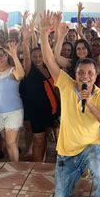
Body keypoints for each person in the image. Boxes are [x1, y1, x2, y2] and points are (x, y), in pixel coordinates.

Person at [38, 11, 100, 197]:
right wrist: (44, 33)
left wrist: (89, 102)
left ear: (96, 74)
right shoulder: (66, 84)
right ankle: (81, 170)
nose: (85, 76)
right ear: (76, 73)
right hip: (66, 151)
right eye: (81, 72)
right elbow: (49, 60)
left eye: (90, 73)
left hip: (91, 146)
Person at [20, 24, 60, 162]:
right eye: (34, 56)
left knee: (45, 138)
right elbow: (25, 57)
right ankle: (37, 166)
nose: (37, 58)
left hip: (52, 110)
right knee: (38, 139)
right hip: (36, 111)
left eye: (40, 55)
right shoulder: (29, 69)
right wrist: (26, 40)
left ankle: (41, 161)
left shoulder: (49, 68)